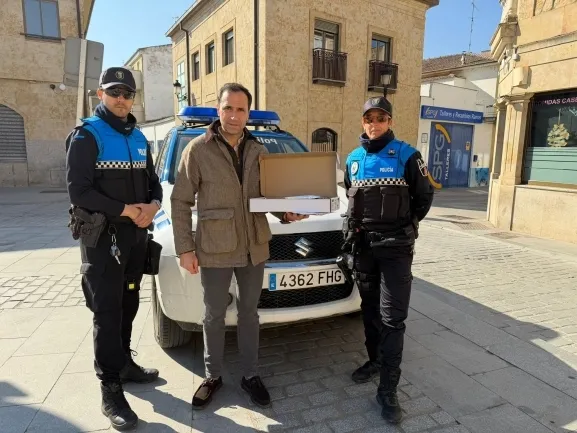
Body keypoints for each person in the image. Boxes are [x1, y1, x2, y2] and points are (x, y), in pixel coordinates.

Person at [170, 82, 307, 410]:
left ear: (248, 113)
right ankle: (212, 375)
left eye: (240, 109)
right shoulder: (198, 150)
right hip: (215, 246)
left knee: (249, 314)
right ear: (218, 110)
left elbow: (268, 195)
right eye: (228, 108)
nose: (234, 115)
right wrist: (185, 249)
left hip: (253, 246)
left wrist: (286, 213)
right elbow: (180, 201)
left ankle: (250, 374)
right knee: (214, 314)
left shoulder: (259, 150)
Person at [66, 67, 162, 431]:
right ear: (100, 94)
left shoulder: (138, 136)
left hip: (135, 239)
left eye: (127, 93)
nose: (121, 99)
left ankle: (123, 363)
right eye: (114, 92)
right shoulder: (87, 135)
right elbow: (79, 191)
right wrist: (126, 210)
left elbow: (154, 183)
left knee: (130, 302)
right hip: (103, 240)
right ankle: (109, 387)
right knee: (106, 312)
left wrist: (153, 206)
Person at [342, 96, 434, 423]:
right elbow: (351, 198)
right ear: (363, 122)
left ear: (390, 122)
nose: (374, 124)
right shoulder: (352, 159)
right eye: (369, 118)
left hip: (395, 250)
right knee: (369, 312)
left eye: (381, 118)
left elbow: (424, 197)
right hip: (365, 249)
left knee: (393, 319)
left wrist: (405, 227)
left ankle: (388, 389)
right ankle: (375, 361)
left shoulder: (408, 155)